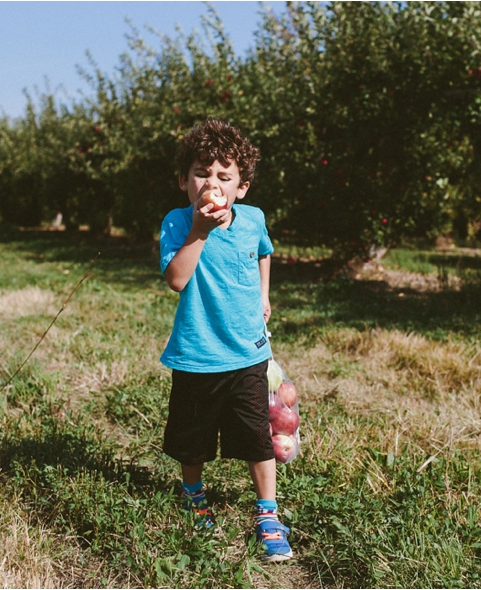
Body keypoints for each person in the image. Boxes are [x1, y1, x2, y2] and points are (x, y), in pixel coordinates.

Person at [158, 117, 292, 562]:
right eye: (201, 173)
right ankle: (193, 494)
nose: (210, 183)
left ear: (242, 187)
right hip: (197, 354)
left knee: (258, 436)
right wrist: (199, 230)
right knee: (192, 438)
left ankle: (267, 513)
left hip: (248, 351)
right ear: (184, 181)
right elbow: (177, 280)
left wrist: (264, 294)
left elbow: (264, 252)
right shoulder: (179, 223)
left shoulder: (253, 219)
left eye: (223, 176)